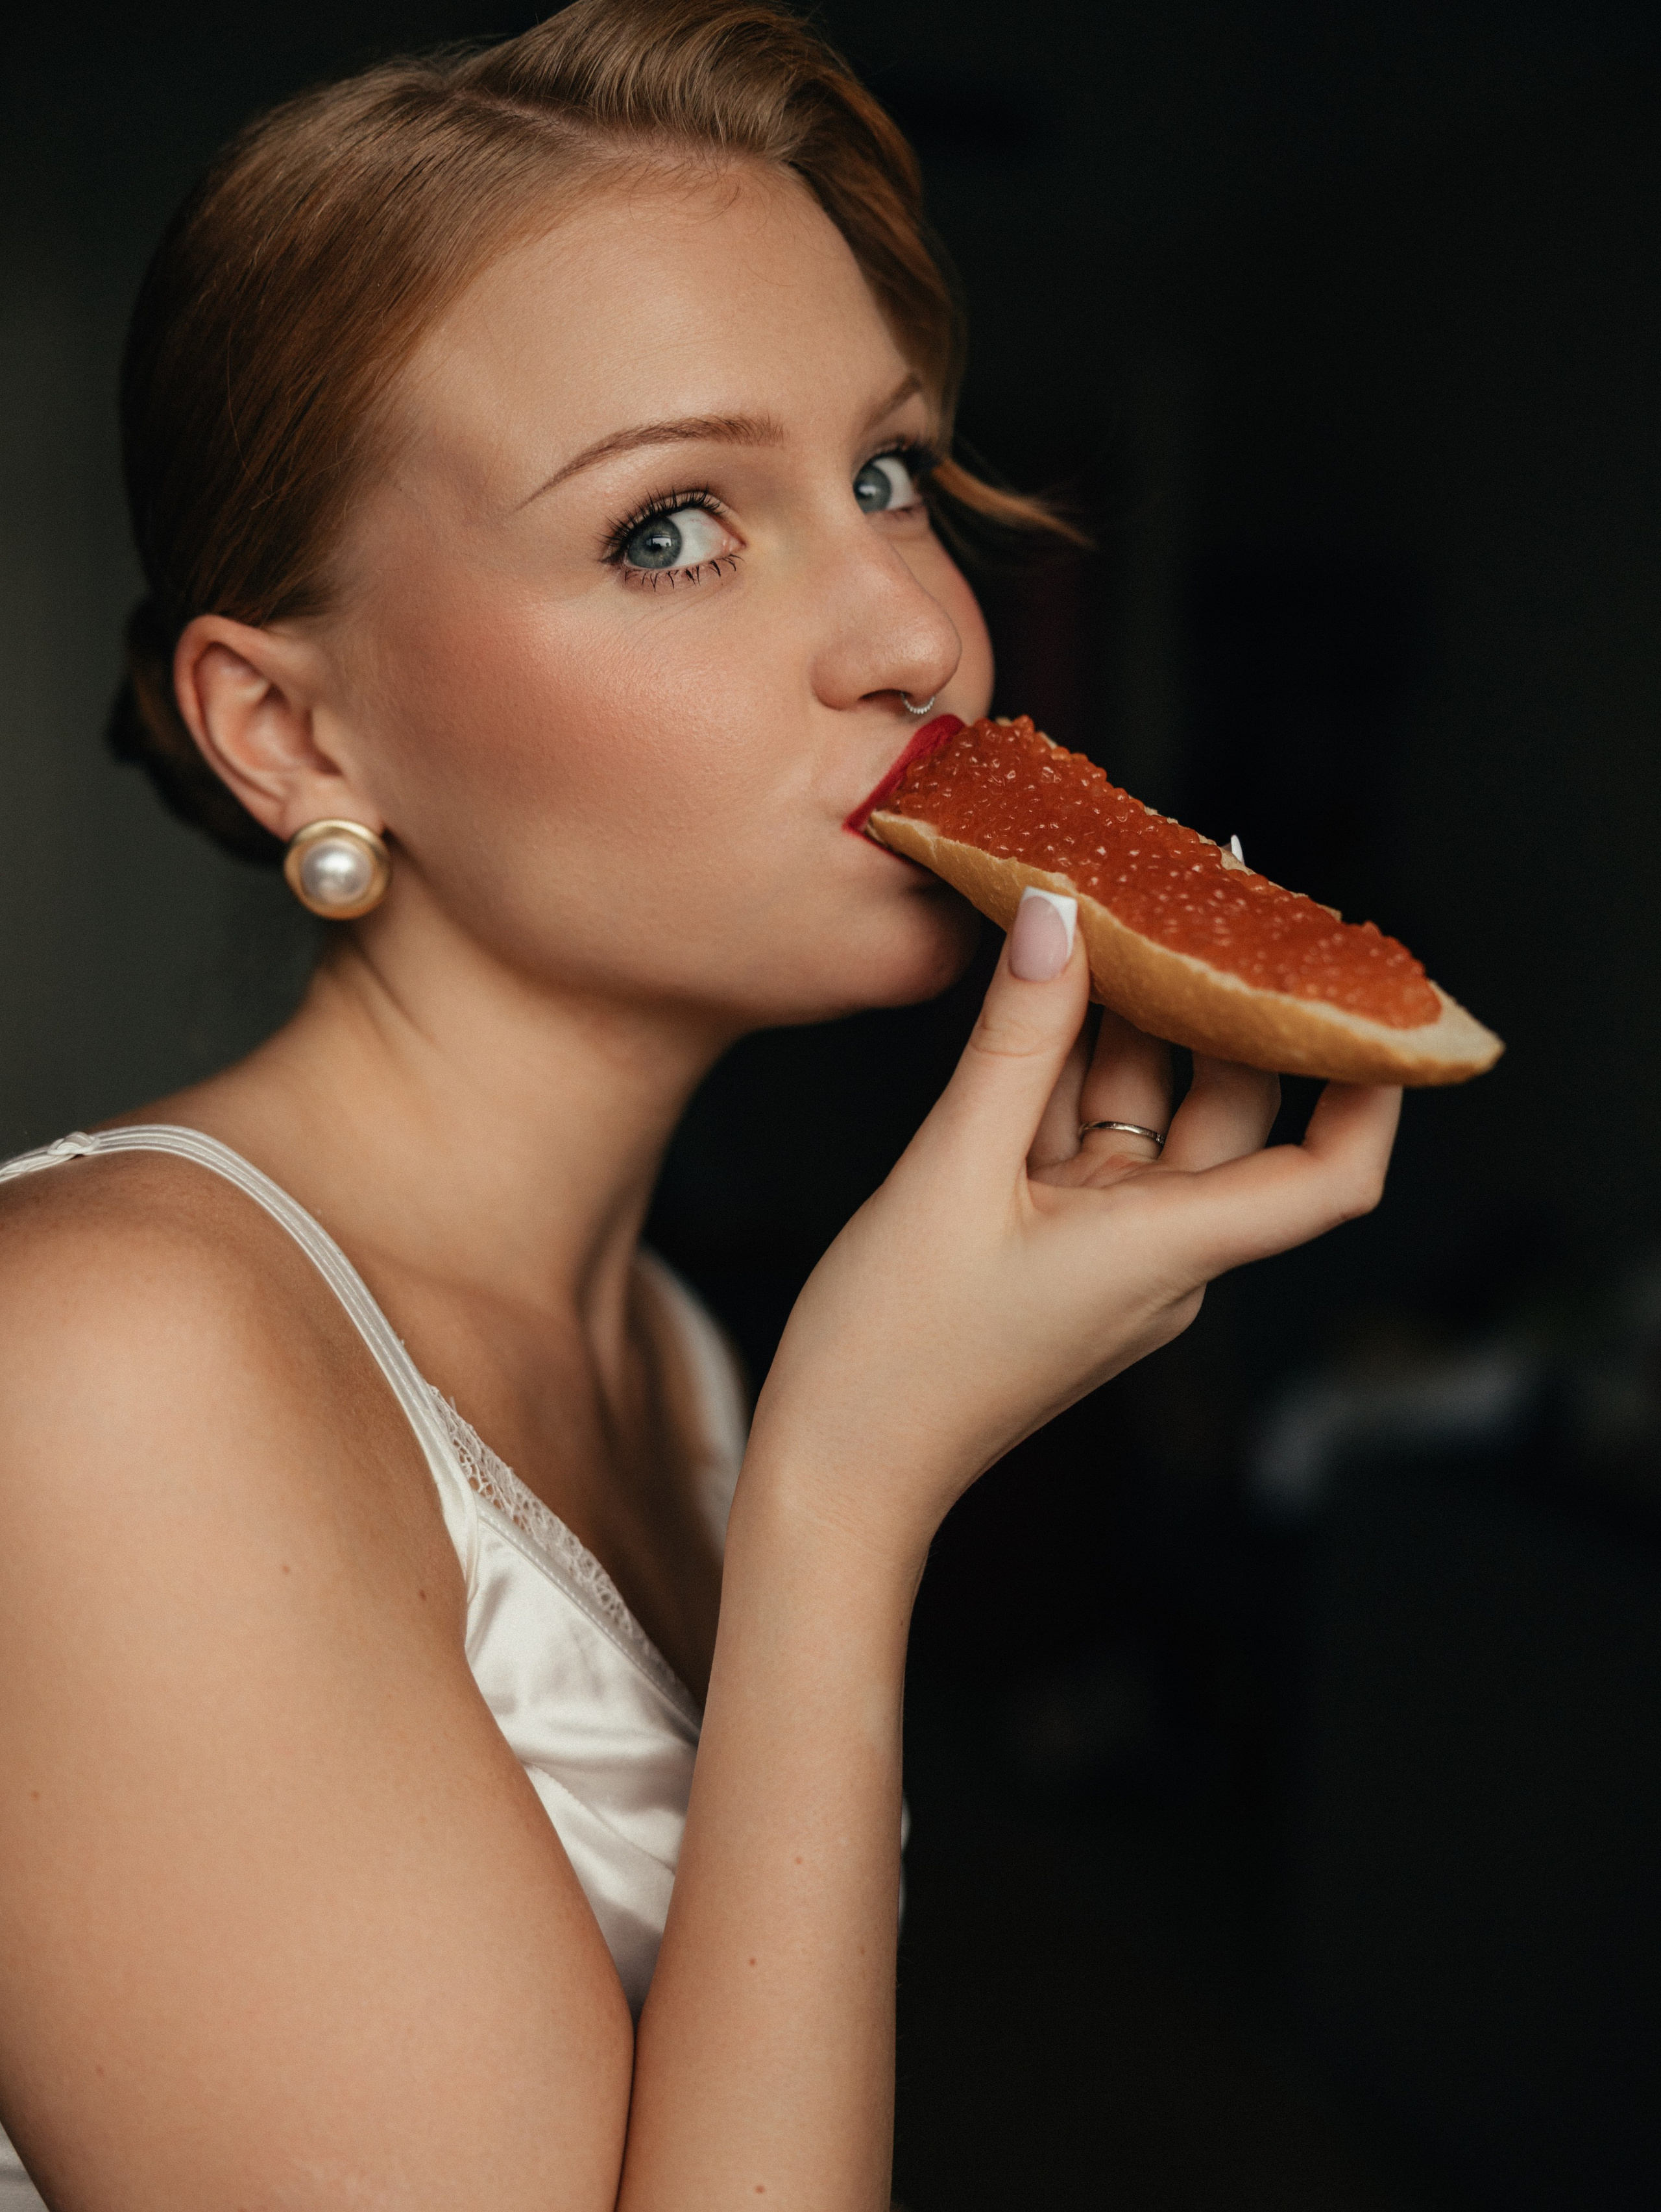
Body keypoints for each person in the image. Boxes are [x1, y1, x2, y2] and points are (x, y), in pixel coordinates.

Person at [0, 2, 1400, 2204]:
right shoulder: (98, 1374)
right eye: (671, 528)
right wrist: (854, 1487)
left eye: (885, 474)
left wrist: (820, 1440)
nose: (923, 635)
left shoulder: (669, 1347)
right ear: (290, 735)